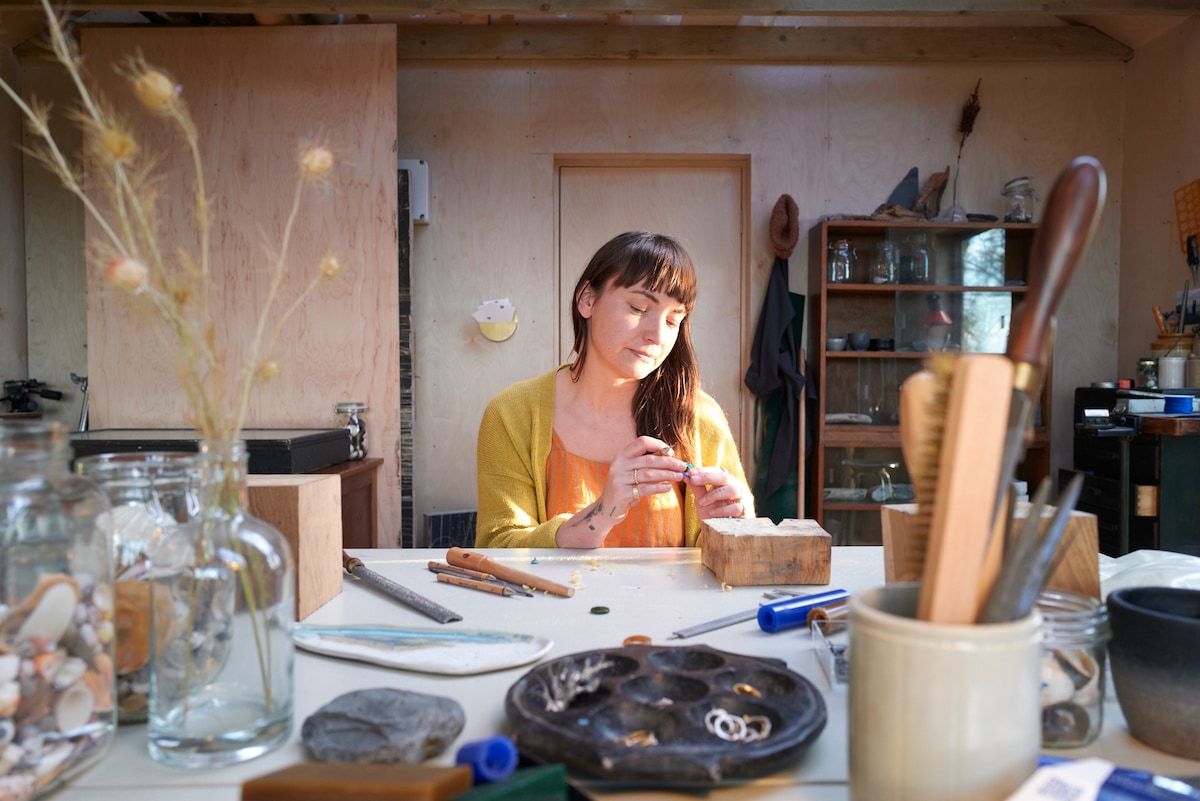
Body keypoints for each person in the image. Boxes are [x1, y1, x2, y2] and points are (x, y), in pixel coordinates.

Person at [476, 230, 755, 549]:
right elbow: (496, 546)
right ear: (587, 299)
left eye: (673, 320)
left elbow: (734, 555)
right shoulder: (511, 414)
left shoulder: (699, 417)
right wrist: (602, 513)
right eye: (638, 308)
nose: (656, 336)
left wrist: (731, 526)